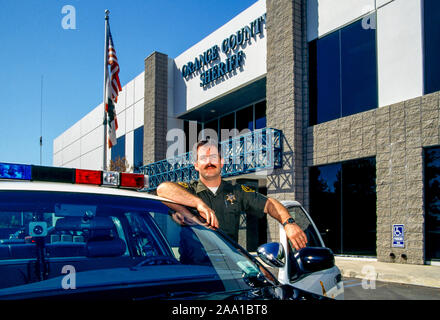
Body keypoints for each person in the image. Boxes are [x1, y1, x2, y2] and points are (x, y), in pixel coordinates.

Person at [156, 139, 308, 250]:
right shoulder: (189, 190)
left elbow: (270, 203)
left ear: (222, 162)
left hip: (230, 268)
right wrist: (198, 204)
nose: (209, 162)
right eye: (203, 158)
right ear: (196, 165)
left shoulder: (237, 191)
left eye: (214, 157)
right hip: (195, 270)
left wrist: (289, 223)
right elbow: (163, 189)